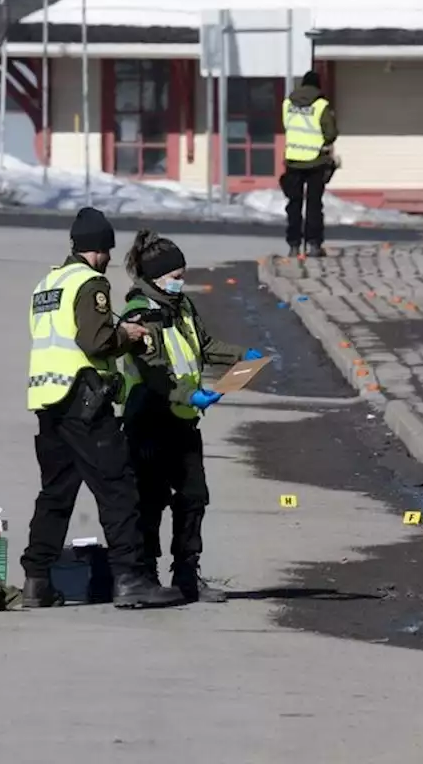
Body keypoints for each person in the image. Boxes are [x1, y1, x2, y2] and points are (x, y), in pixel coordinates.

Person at [21, 207, 184, 609]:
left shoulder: (46, 284)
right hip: (84, 400)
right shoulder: (89, 282)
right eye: (108, 251)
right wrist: (127, 334)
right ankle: (131, 579)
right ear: (99, 250)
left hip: (47, 401)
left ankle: (36, 581)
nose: (110, 260)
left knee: (55, 494)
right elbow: (95, 342)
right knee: (118, 487)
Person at [121, 230, 263, 603]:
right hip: (150, 417)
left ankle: (187, 573)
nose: (181, 281)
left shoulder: (181, 306)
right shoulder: (140, 314)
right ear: (155, 277)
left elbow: (205, 346)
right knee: (150, 499)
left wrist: (241, 355)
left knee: (193, 496)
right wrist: (191, 394)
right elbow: (153, 371)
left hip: (183, 417)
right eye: (176, 275)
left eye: (183, 274)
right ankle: (147, 576)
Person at [280, 69, 339, 259]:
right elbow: (330, 133)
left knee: (294, 204)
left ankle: (294, 245)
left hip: (293, 161)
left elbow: (287, 126)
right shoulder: (321, 105)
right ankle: (313, 245)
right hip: (315, 161)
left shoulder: (288, 103)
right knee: (314, 204)